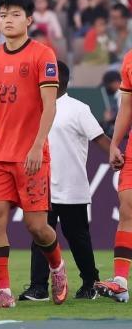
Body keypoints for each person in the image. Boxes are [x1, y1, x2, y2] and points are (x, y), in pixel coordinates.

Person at [0, 0, 68, 308]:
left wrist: (37, 146)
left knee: (36, 227)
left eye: (15, 14)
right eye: (3, 14)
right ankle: (4, 293)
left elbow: (50, 106)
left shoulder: (42, 55)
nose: (8, 20)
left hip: (31, 155)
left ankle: (57, 267)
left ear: (29, 20)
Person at [19, 61, 108, 302]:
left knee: (78, 238)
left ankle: (90, 283)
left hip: (71, 187)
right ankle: (38, 287)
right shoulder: (34, 107)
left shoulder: (78, 109)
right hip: (41, 186)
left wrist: (117, 156)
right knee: (39, 237)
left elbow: (100, 138)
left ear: (56, 81)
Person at [95, 47, 132, 302]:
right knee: (127, 208)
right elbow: (126, 106)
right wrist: (115, 144)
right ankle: (120, 282)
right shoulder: (129, 59)